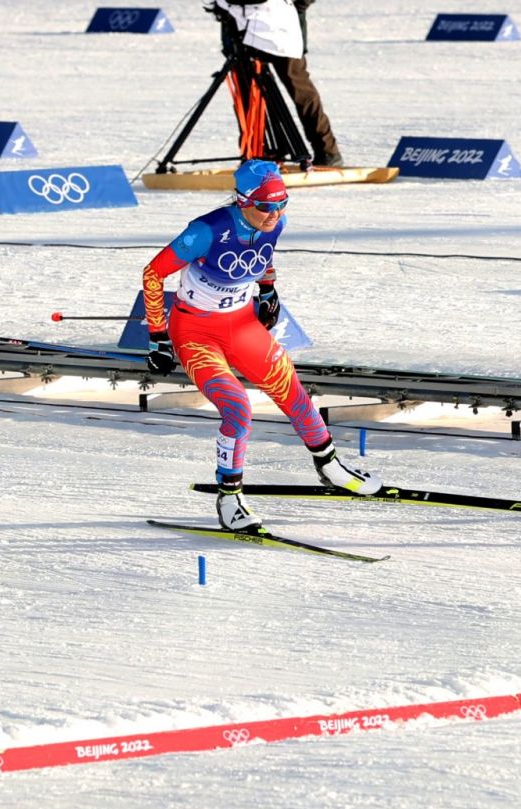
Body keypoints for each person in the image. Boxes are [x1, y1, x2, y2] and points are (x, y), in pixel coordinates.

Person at [141, 158, 379, 530]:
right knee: (237, 408)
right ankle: (230, 499)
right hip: (196, 334)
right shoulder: (205, 231)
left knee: (292, 391)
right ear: (242, 201)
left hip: (242, 324)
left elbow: (264, 256)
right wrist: (157, 337)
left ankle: (330, 466)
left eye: (282, 203)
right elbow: (153, 273)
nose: (275, 213)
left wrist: (268, 290)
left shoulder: (276, 221)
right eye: (266, 206)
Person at [212, 0, 342, 167]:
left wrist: (293, 8)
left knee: (300, 90)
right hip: (239, 31)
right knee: (248, 94)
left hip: (283, 31)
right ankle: (261, 152)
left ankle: (327, 151)